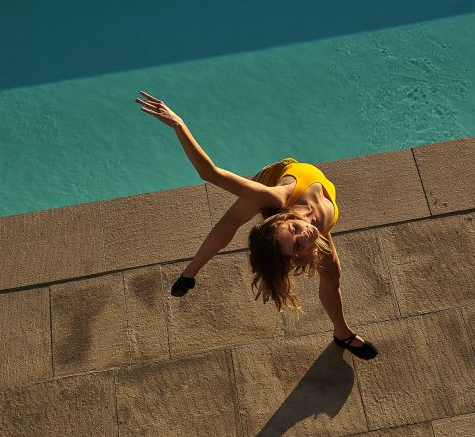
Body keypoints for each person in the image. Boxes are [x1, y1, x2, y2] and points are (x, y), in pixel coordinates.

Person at [135, 91, 378, 360]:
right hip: (277, 218)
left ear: (282, 218)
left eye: (294, 230)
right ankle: (190, 274)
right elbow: (292, 247)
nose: (306, 233)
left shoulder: (277, 197)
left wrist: (178, 124)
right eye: (298, 245)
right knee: (329, 272)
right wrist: (274, 272)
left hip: (270, 178)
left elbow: (210, 173)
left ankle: (341, 333)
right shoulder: (310, 241)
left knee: (236, 219)